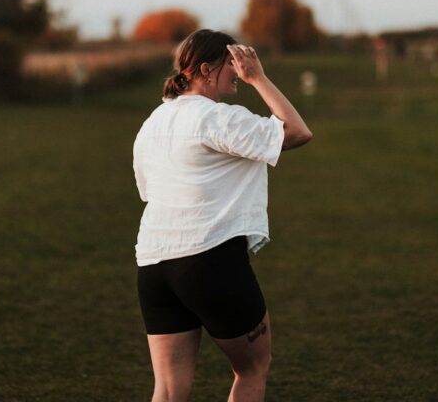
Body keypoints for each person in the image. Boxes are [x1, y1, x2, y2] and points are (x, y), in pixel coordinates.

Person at [133, 29, 312, 402]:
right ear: (204, 69)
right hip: (209, 260)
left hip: (154, 266)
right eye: (232, 63)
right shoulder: (216, 118)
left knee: (167, 389)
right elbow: (296, 132)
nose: (240, 70)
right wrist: (259, 78)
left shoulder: (152, 122)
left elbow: (148, 191)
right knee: (252, 368)